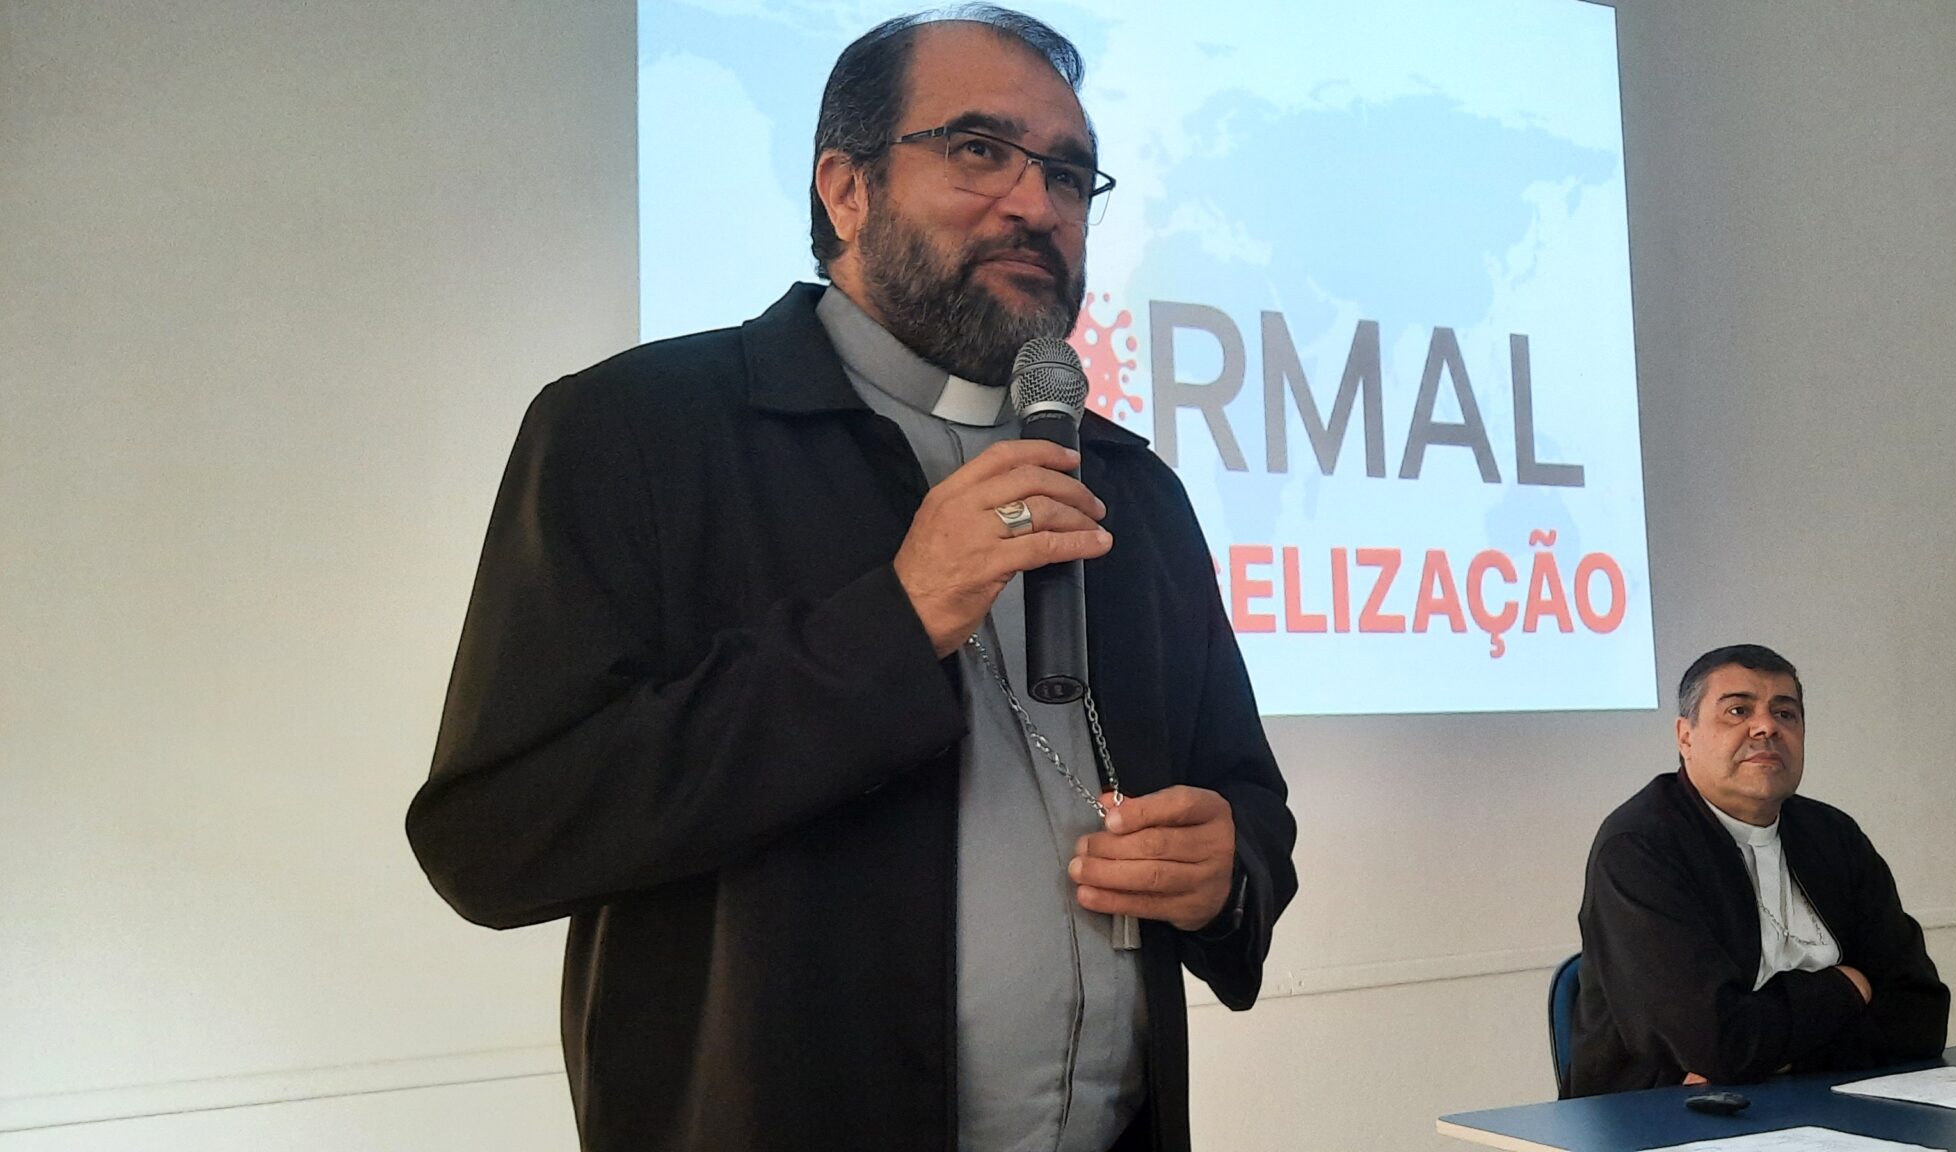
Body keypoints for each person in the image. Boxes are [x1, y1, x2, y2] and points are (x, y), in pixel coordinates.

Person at [404, 7, 1295, 1150]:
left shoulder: (1131, 487)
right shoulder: (638, 431)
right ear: (846, 188)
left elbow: (1246, 800)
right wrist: (893, 622)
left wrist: (1226, 872)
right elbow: (498, 839)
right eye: (979, 149)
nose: (1036, 204)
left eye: (1070, 175)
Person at [1565, 644, 1945, 1096]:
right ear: (1685, 737)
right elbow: (1719, 1043)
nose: (1766, 727)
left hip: (1829, 1100)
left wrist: (1784, 1061)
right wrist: (1847, 987)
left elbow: (1921, 1016)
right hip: (1663, 1114)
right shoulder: (1640, 846)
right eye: (1738, 710)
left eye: (1785, 714)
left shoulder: (1833, 836)